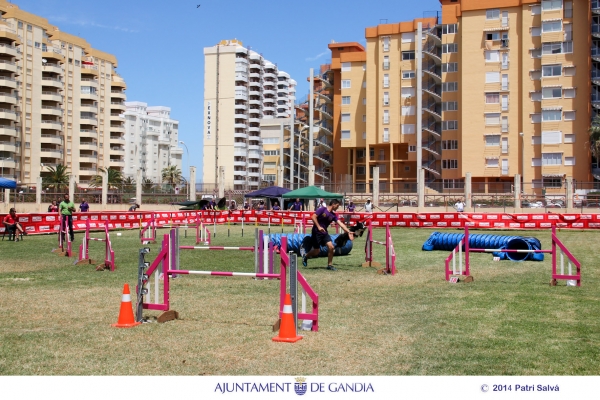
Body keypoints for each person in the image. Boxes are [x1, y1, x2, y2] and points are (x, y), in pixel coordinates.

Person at [302, 199, 354, 271]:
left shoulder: (333, 215)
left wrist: (348, 231)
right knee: (317, 251)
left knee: (331, 247)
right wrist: (318, 227)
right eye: (337, 206)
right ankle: (306, 256)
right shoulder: (322, 209)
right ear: (333, 204)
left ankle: (329, 265)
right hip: (316, 233)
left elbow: (340, 224)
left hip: (324, 233)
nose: (338, 207)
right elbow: (313, 217)